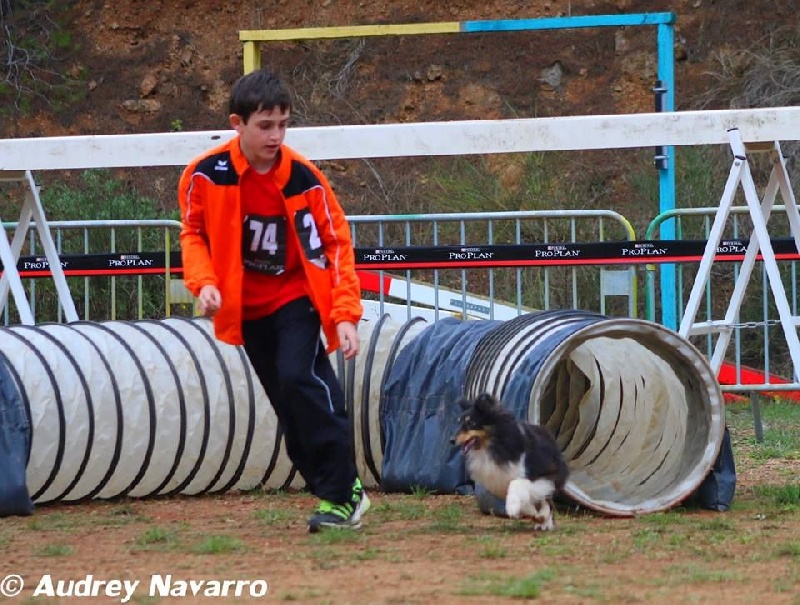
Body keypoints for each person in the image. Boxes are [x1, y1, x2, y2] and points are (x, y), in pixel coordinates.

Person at [178, 68, 369, 532]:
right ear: (237, 124)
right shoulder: (204, 175)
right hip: (246, 308)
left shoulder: (304, 178)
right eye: (265, 125)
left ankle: (341, 497)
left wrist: (344, 313)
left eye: (283, 124)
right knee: (287, 400)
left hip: (297, 297)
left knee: (298, 377)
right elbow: (193, 233)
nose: (276, 135)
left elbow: (336, 243)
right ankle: (341, 487)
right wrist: (203, 282)